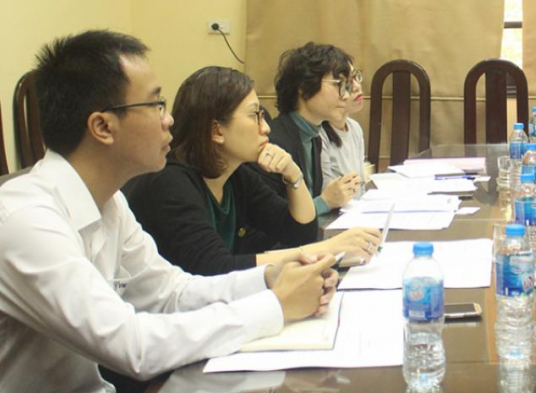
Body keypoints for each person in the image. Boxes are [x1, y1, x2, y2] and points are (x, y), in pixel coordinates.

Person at [0, 31, 337, 393]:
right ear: (103, 126)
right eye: (156, 103)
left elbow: (170, 294)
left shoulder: (108, 201)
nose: (169, 118)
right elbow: (134, 346)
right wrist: (275, 306)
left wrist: (270, 277)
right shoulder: (24, 221)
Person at [126, 66, 380, 276]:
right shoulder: (171, 183)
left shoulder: (235, 175)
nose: (265, 128)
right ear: (216, 131)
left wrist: (293, 174)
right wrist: (326, 249)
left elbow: (298, 230)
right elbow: (216, 268)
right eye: (254, 116)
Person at [268, 43, 362, 216]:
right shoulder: (275, 142)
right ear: (304, 87)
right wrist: (325, 202)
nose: (346, 95)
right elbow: (273, 222)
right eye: (338, 84)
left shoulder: (314, 137)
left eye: (346, 86)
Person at [320, 55, 367, 196]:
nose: (357, 87)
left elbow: (360, 186)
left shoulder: (355, 128)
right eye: (346, 82)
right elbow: (327, 193)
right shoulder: (319, 134)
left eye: (356, 77)